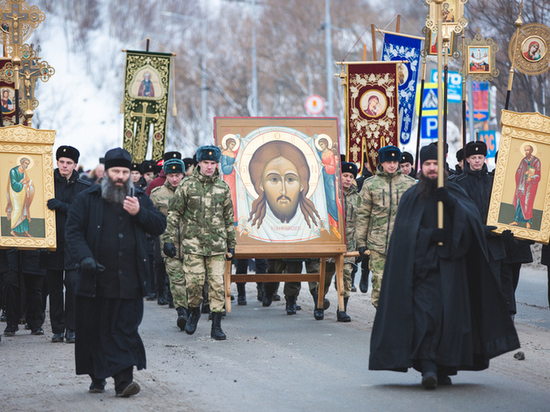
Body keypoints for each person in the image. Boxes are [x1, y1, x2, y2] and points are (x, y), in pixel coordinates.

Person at [369, 143, 520, 389]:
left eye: (436, 164)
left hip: (452, 269)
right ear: (421, 167)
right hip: (422, 271)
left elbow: (470, 223)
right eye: (427, 164)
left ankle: (444, 367)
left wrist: (449, 203)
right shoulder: (411, 197)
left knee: (450, 319)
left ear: (443, 165)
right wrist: (430, 234)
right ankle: (428, 366)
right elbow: (404, 238)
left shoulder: (455, 192)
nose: (431, 168)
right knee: (426, 316)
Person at [65, 147, 166, 397]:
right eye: (115, 171)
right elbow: (73, 232)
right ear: (106, 173)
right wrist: (85, 258)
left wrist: (139, 213)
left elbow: (159, 225)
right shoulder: (87, 199)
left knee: (124, 329)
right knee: (95, 329)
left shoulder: (140, 198)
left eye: (124, 171)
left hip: (130, 279)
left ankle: (123, 382)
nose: (120, 176)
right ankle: (97, 376)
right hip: (96, 277)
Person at [163, 145, 235, 340]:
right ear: (199, 164)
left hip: (217, 245)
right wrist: (168, 239)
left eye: (213, 163)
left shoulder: (223, 187)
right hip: (193, 244)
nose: (209, 167)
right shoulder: (187, 186)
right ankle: (194, 312)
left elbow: (229, 217)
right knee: (194, 284)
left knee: (217, 286)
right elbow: (174, 212)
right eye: (205, 163)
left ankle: (217, 325)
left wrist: (231, 244)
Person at [455, 141, 514, 312]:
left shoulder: (494, 181)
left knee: (494, 285)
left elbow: (505, 208)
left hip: (493, 245)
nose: (477, 161)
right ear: (467, 159)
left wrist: (505, 231)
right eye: (473, 158)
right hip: (471, 243)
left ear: (484, 158)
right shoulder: (460, 182)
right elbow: (460, 215)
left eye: (480, 157)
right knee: (472, 285)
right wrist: (481, 229)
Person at [40, 146, 90, 343]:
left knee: (72, 283)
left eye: (69, 163)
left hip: (73, 244)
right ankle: (57, 329)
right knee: (53, 287)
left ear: (75, 165)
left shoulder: (83, 187)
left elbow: (84, 214)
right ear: (57, 162)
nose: (64, 166)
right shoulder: (47, 183)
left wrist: (62, 206)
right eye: (61, 162)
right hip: (52, 242)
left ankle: (72, 328)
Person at [356, 145, 416, 308]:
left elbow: (417, 215)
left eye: (395, 161)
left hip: (403, 244)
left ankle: (398, 320)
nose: (392, 165)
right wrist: (361, 243)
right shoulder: (370, 185)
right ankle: (382, 319)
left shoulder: (410, 185)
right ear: (381, 163)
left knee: (402, 283)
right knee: (379, 284)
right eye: (388, 161)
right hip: (378, 244)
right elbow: (362, 215)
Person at [246, 141, 323, 242]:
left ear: (302, 184)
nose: (283, 190)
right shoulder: (250, 229)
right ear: (261, 185)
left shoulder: (315, 229)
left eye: (290, 179)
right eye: (274, 179)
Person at [312, 162, 359, 321]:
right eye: (345, 175)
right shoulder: (330, 193)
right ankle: (319, 305)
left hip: (349, 245)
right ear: (340, 176)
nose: (348, 179)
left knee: (346, 277)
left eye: (351, 177)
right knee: (324, 276)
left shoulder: (357, 197)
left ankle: (342, 309)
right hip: (330, 242)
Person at [150, 158, 187, 330]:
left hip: (192, 244)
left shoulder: (192, 191)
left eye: (178, 175)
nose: (174, 179)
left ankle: (192, 309)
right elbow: (151, 218)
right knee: (176, 280)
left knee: (194, 282)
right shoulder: (157, 194)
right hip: (169, 244)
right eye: (171, 175)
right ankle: (182, 312)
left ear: (183, 174)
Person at [509, 144, 541, 229]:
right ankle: (516, 220)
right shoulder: (523, 160)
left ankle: (528, 222)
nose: (526, 152)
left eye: (528, 150)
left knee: (528, 203)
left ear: (531, 151)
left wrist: (531, 177)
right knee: (519, 201)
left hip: (530, 186)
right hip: (522, 185)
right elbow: (518, 170)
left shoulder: (536, 161)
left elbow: (538, 175)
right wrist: (523, 173)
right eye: (525, 150)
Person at [6, 156, 35, 237]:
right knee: (17, 209)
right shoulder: (13, 171)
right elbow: (13, 184)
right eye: (26, 163)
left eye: (28, 164)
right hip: (15, 193)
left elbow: (27, 181)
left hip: (23, 192)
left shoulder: (25, 172)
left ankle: (25, 232)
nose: (26, 165)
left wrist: (29, 184)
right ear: (22, 162)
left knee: (24, 210)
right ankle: (13, 230)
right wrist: (21, 183)